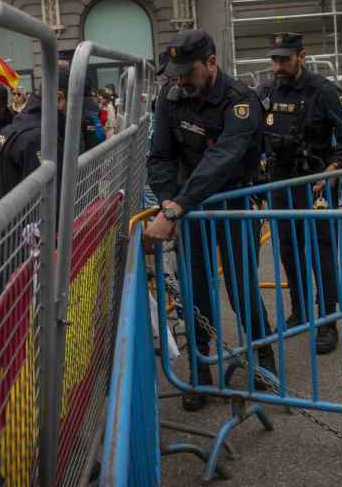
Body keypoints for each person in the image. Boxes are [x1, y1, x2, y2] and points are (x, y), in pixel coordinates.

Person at [145, 29, 275, 411]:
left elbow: (223, 161)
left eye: (188, 71)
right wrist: (170, 200)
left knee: (240, 285)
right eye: (177, 72)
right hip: (189, 206)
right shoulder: (171, 95)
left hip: (230, 202)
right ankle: (201, 371)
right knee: (195, 288)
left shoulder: (240, 101)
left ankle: (262, 357)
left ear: (212, 63)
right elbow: (160, 155)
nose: (182, 79)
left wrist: (176, 207)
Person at [257, 32, 342, 354]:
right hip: (280, 184)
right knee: (289, 249)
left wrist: (333, 171)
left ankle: (328, 320)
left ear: (301, 56)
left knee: (322, 253)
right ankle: (299, 311)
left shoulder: (324, 91)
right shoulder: (266, 90)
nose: (279, 65)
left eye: (285, 59)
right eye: (275, 59)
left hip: (314, 184)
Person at [0, 67, 70, 205]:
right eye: (75, 102)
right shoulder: (39, 137)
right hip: (26, 222)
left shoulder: (13, 127)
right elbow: (43, 201)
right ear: (59, 98)